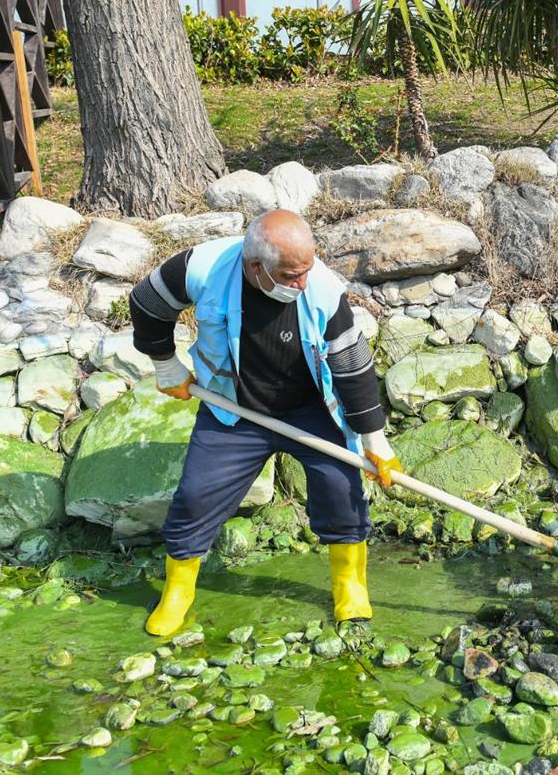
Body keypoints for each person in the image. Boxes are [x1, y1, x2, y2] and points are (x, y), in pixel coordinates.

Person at [129, 210, 401, 636]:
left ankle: (349, 584)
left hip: (311, 410)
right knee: (196, 496)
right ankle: (178, 592)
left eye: (307, 270)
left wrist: (374, 438)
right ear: (257, 266)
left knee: (340, 489)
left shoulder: (324, 291)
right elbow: (147, 303)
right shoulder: (201, 267)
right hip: (232, 409)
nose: (302, 283)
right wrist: (165, 363)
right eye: (291, 276)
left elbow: (352, 366)